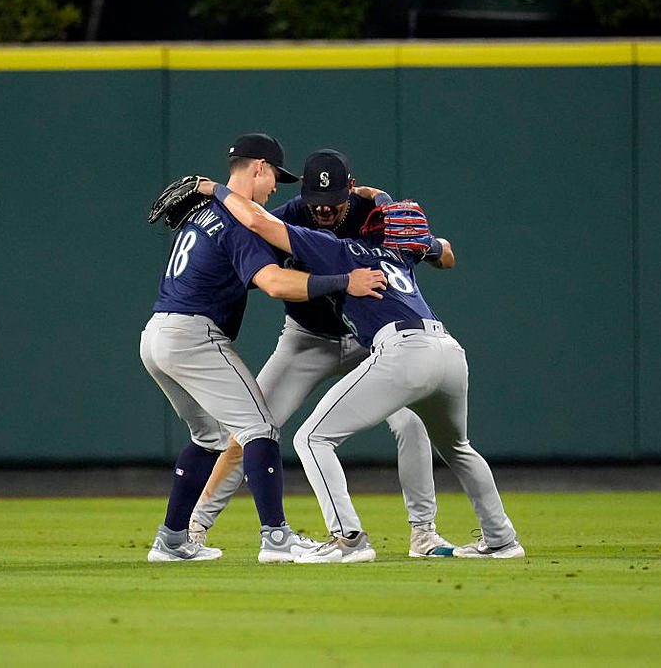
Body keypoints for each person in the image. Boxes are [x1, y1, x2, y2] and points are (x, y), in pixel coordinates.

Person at [195, 177, 524, 564]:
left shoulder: (334, 248)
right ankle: (501, 538)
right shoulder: (398, 248)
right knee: (458, 446)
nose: (326, 210)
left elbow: (260, 224)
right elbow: (443, 252)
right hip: (444, 350)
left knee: (314, 439)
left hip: (395, 350)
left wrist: (211, 189)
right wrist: (425, 240)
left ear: (350, 197)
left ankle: (355, 538)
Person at [141, 133, 387, 563]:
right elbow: (274, 283)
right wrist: (344, 281)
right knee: (261, 426)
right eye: (274, 174)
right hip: (194, 335)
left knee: (210, 436)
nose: (276, 186)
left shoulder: (205, 211)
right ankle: (276, 536)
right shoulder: (239, 219)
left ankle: (173, 540)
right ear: (258, 167)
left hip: (157, 335)